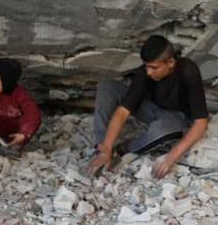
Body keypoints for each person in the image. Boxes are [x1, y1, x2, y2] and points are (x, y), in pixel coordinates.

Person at [88, 35, 209, 179]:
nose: (148, 72)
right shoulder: (145, 73)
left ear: (170, 62)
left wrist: (170, 158)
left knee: (161, 131)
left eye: (154, 67)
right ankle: (102, 150)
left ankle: (124, 148)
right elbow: (122, 112)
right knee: (107, 86)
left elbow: (201, 123)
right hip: (151, 109)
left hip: (175, 118)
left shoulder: (188, 70)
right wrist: (107, 147)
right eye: (146, 66)